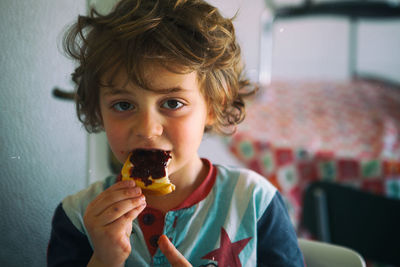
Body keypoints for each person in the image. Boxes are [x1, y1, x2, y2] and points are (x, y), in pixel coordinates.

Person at [47, 0, 304, 266]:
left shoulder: (254, 202)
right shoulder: (79, 218)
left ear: (215, 105)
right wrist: (102, 259)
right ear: (99, 110)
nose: (147, 130)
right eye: (123, 105)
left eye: (172, 103)